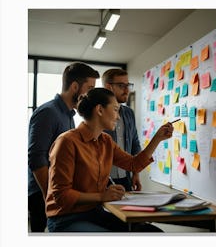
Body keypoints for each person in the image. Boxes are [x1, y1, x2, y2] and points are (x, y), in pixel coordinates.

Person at [46, 88, 174, 232]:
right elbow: (61, 196)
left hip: (94, 213)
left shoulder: (106, 141)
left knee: (152, 232)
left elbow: (133, 164)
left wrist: (158, 138)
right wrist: (102, 196)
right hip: (66, 218)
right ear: (99, 110)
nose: (118, 117)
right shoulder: (67, 141)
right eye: (115, 109)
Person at [28, 62, 100, 232]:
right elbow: (37, 159)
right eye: (89, 88)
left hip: (58, 192)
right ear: (75, 86)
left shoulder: (69, 115)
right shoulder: (48, 112)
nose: (91, 94)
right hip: (42, 192)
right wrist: (51, 195)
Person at [102, 68, 141, 191]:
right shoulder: (99, 112)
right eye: (121, 85)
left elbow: (135, 143)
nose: (127, 90)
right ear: (109, 87)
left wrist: (136, 173)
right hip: (104, 179)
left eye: (128, 85)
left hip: (126, 178)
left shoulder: (129, 113)